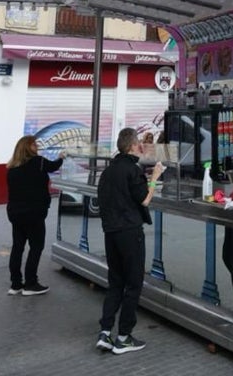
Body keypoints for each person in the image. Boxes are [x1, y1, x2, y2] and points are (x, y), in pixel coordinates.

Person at [96, 127, 164, 355]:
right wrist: (154, 178)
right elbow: (144, 200)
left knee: (115, 281)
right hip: (129, 232)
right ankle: (124, 336)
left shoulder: (109, 170)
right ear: (133, 145)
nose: (141, 146)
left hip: (111, 232)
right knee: (134, 283)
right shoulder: (132, 170)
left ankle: (105, 332)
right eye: (138, 143)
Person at [5, 135, 65, 295]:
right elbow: (53, 167)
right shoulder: (38, 162)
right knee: (36, 246)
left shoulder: (12, 168)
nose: (37, 147)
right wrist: (61, 157)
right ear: (29, 147)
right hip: (33, 214)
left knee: (17, 247)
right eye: (35, 144)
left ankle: (16, 284)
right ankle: (31, 283)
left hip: (15, 213)